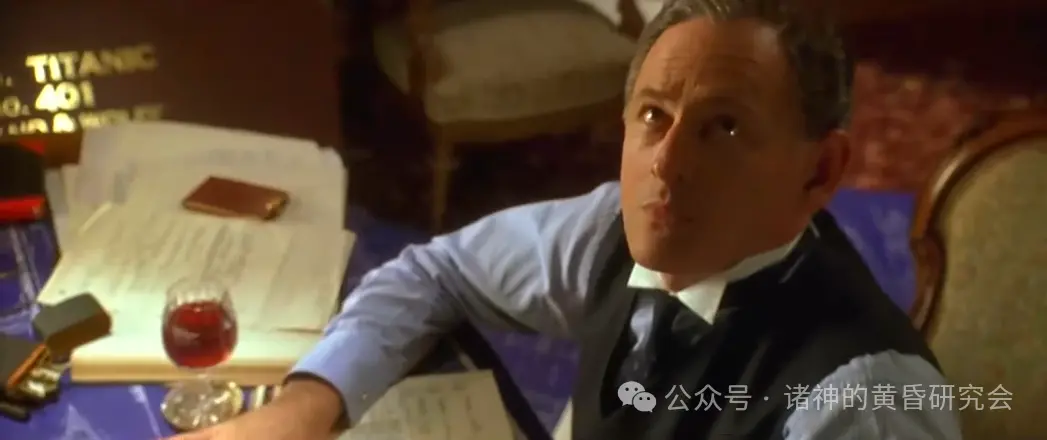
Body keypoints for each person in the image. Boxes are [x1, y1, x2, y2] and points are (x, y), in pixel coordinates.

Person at [171, 0, 962, 438]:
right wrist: (303, 410)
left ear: (819, 172)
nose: (667, 166)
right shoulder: (614, 228)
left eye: (722, 129)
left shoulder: (860, 409)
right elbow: (434, 273)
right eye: (653, 116)